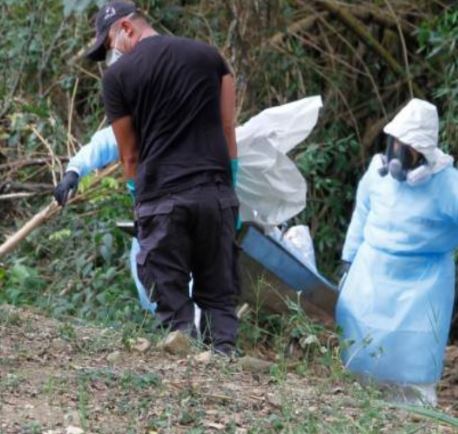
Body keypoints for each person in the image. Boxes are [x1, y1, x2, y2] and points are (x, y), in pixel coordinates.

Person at [85, 1, 240, 354]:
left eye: (110, 44)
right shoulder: (209, 57)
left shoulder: (117, 79)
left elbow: (130, 154)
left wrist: (135, 197)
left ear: (126, 28)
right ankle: (223, 358)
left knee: (172, 304)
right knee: (218, 295)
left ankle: (183, 357)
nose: (113, 55)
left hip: (162, 199)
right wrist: (231, 184)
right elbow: (228, 128)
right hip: (214, 194)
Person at [337, 98, 458, 406]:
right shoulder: (377, 175)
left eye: (407, 144)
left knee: (413, 348)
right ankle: (363, 401)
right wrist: (348, 259)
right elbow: (361, 215)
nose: (397, 151)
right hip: (371, 271)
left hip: (423, 284)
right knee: (362, 340)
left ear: (423, 150)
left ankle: (414, 407)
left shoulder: (447, 184)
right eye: (396, 141)